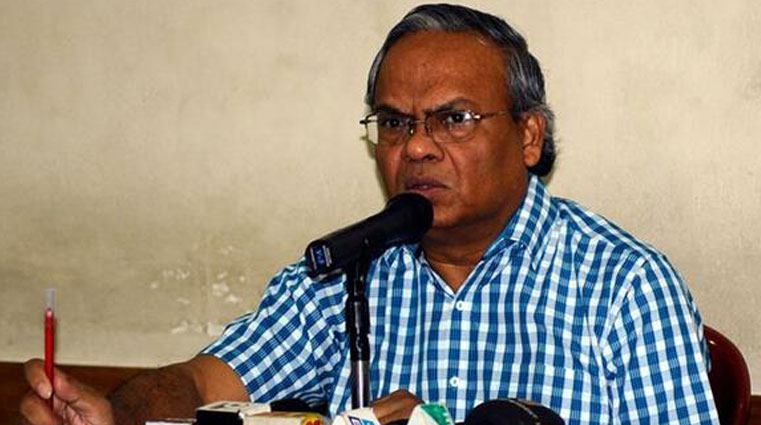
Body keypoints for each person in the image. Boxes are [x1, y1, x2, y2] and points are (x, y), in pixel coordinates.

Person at [20, 4, 719, 425]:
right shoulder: (345, 272)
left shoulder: (623, 287)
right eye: (393, 123)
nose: (416, 146)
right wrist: (116, 413)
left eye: (453, 119)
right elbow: (204, 382)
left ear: (529, 136)